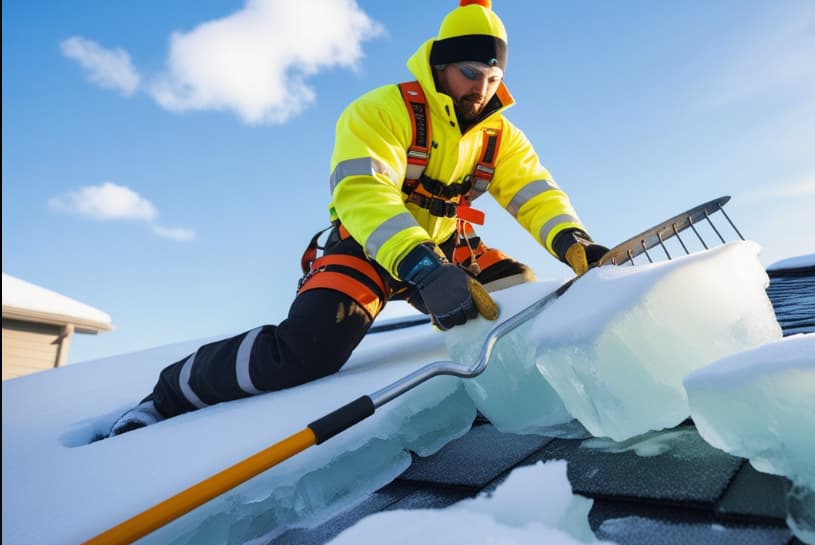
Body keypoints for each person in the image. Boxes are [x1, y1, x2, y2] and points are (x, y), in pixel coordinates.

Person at [109, 0, 609, 436]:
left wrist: (573, 242)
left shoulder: (501, 136)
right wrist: (422, 268)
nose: (482, 89)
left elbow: (533, 192)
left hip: (447, 251)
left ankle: (493, 396)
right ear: (439, 65)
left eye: (493, 77)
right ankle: (168, 395)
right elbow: (364, 193)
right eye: (471, 74)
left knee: (519, 295)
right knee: (306, 354)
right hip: (368, 248)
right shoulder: (380, 111)